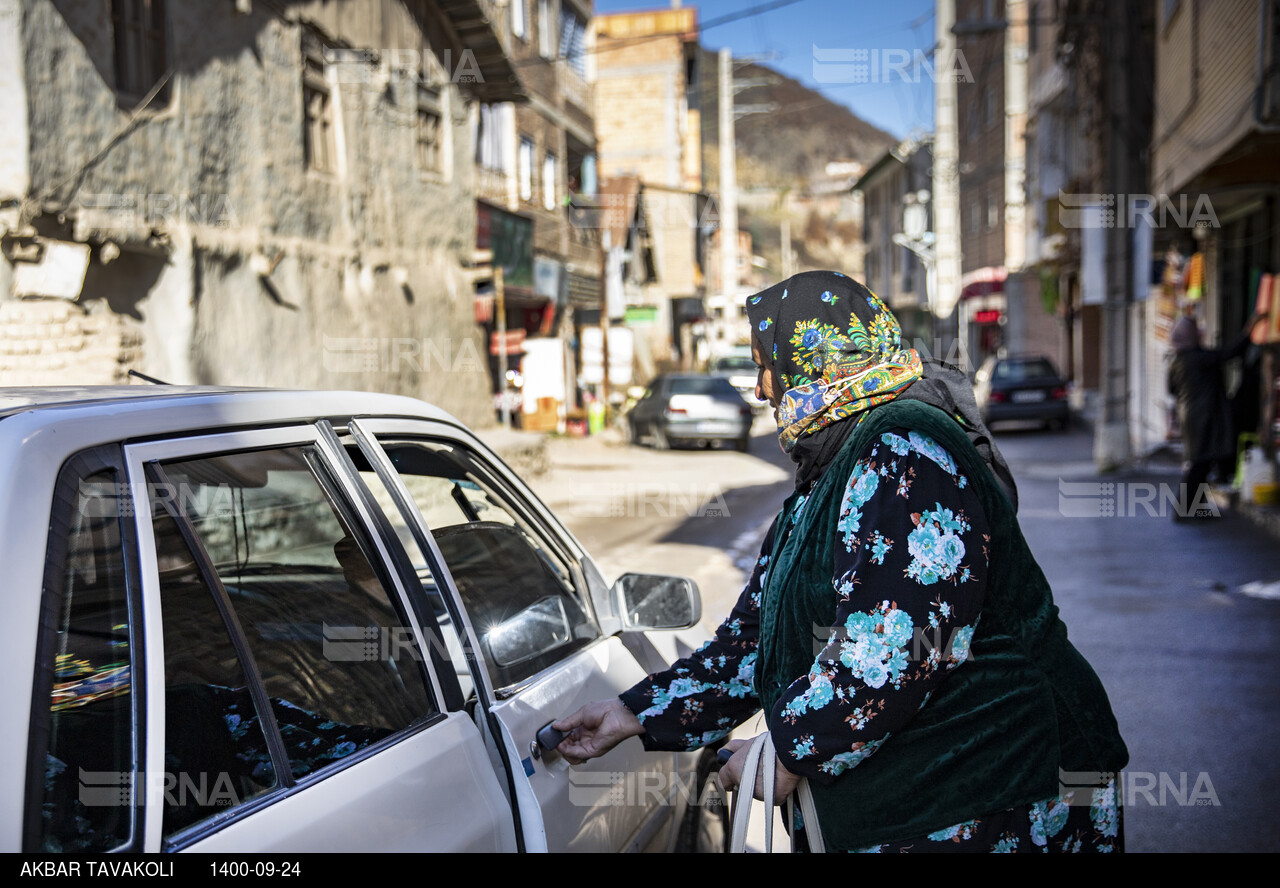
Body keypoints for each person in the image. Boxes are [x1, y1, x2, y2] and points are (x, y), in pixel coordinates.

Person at [554, 272, 1128, 852]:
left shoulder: (905, 451)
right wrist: (635, 713)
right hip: (933, 798)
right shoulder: (834, 467)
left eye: (767, 367)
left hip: (1002, 792)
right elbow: (757, 639)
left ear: (816, 360)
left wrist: (787, 748)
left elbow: (895, 648)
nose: (760, 390)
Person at [1166, 311, 1268, 520]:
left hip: (1192, 416)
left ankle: (1195, 509)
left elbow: (1172, 390)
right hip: (1204, 418)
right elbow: (1230, 353)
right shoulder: (1196, 358)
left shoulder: (1177, 361)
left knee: (1201, 462)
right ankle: (1183, 510)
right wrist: (1251, 328)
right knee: (1200, 464)